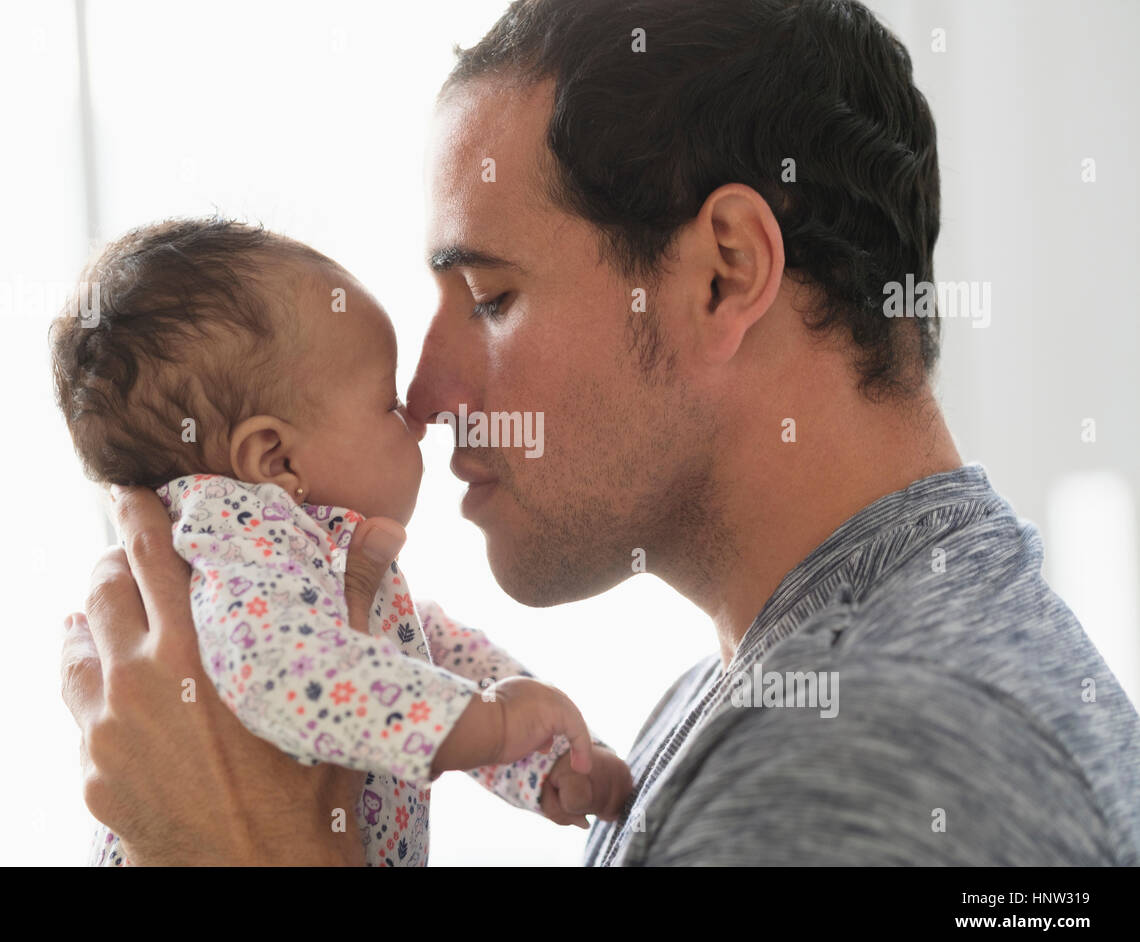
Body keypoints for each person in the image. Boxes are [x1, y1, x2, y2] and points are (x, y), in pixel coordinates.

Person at [61, 0, 1140, 865]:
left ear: (724, 274)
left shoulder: (865, 750)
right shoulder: (741, 694)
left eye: (487, 296)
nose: (427, 394)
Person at [48, 218, 630, 866]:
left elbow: (424, 657)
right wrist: (493, 726)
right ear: (274, 458)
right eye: (387, 403)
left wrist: (548, 760)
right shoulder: (236, 542)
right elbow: (284, 675)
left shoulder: (293, 557)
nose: (418, 416)